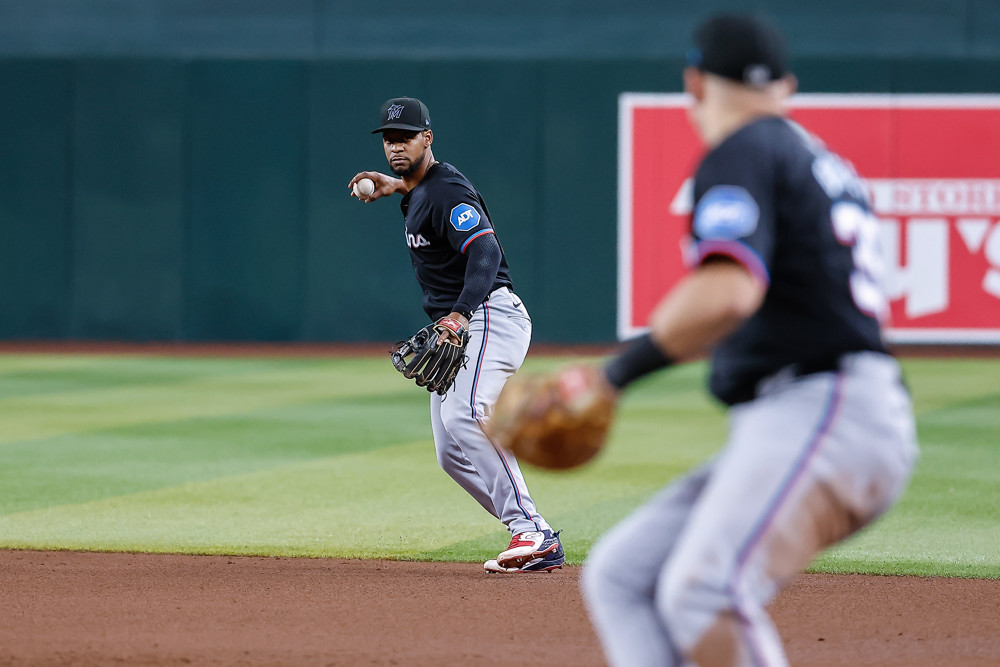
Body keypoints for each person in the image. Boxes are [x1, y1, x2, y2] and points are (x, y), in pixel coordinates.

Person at [577, 13, 919, 666]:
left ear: (695, 84)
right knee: (625, 574)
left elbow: (729, 292)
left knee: (704, 591)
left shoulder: (742, 147)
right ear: (785, 85)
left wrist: (613, 375)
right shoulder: (815, 158)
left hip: (826, 404)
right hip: (819, 410)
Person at [349, 97, 564, 574]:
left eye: (405, 137)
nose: (395, 145)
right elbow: (420, 192)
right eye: (389, 138)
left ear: (428, 138)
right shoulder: (420, 189)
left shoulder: (447, 191)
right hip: (465, 321)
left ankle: (531, 531)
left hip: (489, 314)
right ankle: (531, 530)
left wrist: (461, 315)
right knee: (450, 450)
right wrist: (395, 185)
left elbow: (485, 253)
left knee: (465, 412)